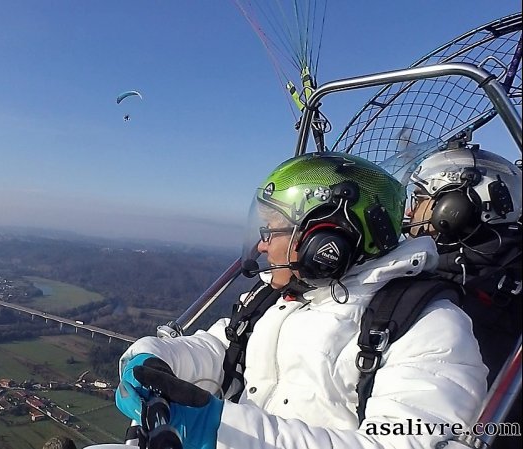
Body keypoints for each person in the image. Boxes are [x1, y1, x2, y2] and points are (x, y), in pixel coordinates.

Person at [115, 152, 487, 449]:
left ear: (324, 240)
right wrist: (154, 359)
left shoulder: (429, 327)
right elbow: (220, 348)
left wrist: (217, 429)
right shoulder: (277, 298)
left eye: (271, 230)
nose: (261, 245)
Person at [405, 145, 522, 449]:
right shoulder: (498, 268)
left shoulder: (462, 288)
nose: (409, 213)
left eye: (419, 199)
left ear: (453, 208)